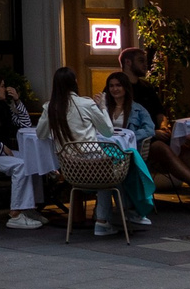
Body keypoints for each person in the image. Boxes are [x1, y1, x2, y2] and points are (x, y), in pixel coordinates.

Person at [41, 67, 150, 236]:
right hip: (93, 164)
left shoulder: (50, 107)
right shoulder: (86, 104)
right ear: (75, 83)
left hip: (69, 168)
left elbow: (41, 134)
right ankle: (114, 217)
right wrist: (103, 108)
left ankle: (114, 217)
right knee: (117, 167)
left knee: (110, 168)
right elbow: (108, 131)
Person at [0, 77, 43, 230]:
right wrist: (0, 146)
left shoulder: (2, 108)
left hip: (1, 153)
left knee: (33, 161)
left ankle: (29, 208)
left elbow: (25, 124)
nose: (5, 89)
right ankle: (16, 213)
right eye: (2, 86)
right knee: (22, 165)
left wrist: (17, 102)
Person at [98, 70, 157, 230]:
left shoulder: (138, 109)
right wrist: (100, 108)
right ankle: (125, 211)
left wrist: (130, 135)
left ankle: (105, 219)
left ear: (125, 87)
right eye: (111, 86)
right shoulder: (103, 108)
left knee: (110, 173)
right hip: (105, 151)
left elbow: (150, 129)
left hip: (128, 151)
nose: (114, 89)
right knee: (109, 172)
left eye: (118, 85)